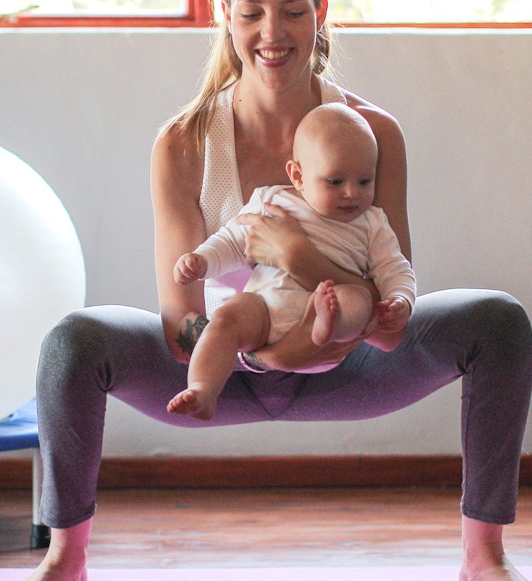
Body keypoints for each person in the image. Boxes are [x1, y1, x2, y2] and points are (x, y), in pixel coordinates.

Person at [0, 0, 532, 581]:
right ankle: (65, 559)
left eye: (293, 10)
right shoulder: (183, 142)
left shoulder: (373, 132)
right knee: (72, 341)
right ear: (225, 15)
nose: (273, 31)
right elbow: (180, 328)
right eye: (253, 11)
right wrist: (265, 344)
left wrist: (299, 262)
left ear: (321, 13)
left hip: (347, 361)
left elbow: (388, 316)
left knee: (499, 322)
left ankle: (485, 558)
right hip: (219, 371)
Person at [168, 102, 417, 421]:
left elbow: (394, 269)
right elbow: (233, 239)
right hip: (264, 310)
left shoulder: (372, 223)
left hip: (330, 319)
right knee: (226, 320)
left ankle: (326, 324)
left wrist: (401, 299)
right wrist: (201, 260)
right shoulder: (272, 200)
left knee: (359, 299)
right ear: (298, 175)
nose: (352, 194)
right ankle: (203, 388)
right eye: (336, 181)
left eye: (365, 182)